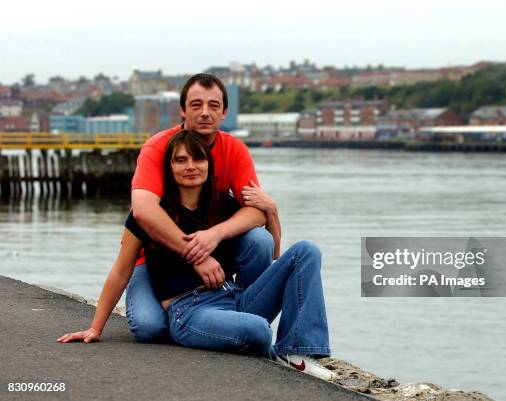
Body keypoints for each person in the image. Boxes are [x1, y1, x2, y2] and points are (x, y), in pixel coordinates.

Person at [57, 130, 334, 381]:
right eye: (181, 160)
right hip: (189, 312)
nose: (191, 166)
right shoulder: (152, 217)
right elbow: (120, 272)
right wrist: (95, 328)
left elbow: (274, 253)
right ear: (170, 168)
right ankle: (250, 341)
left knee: (305, 251)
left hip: (233, 296)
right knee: (259, 330)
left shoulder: (223, 205)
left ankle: (296, 352)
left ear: (208, 165)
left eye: (198, 159)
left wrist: (271, 211)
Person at [127, 73, 279, 342]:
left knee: (259, 240)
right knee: (149, 327)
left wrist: (215, 234)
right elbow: (142, 210)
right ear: (183, 110)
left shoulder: (235, 150)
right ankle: (208, 321)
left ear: (224, 113)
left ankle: (243, 317)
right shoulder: (158, 147)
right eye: (196, 105)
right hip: (157, 258)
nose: (205, 113)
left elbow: (255, 211)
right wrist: (196, 254)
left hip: (212, 249)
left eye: (214, 106)